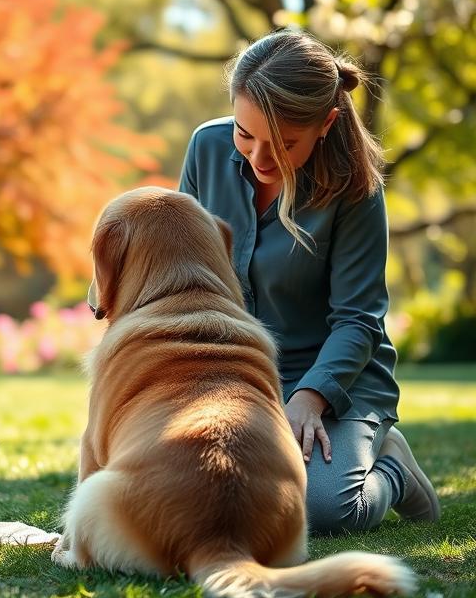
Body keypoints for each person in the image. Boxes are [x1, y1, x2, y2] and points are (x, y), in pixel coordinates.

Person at [178, 28, 440, 534]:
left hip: (333, 379)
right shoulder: (206, 148)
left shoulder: (356, 190)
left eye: (282, 144)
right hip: (239, 374)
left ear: (326, 124)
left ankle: (393, 470)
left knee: (322, 510)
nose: (258, 159)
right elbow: (189, 266)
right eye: (244, 133)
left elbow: (358, 318)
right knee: (204, 495)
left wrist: (309, 397)